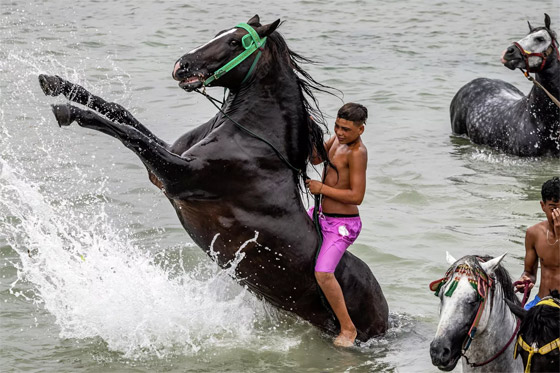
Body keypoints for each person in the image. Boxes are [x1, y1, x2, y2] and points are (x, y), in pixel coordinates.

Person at [305, 102, 368, 347]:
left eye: (347, 130)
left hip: (342, 225)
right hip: (320, 214)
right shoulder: (336, 140)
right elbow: (316, 158)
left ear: (361, 130)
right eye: (337, 127)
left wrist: (322, 189)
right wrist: (311, 131)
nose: (341, 133)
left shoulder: (357, 153)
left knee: (323, 273)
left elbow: (357, 196)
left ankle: (348, 328)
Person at [515, 177, 560, 309]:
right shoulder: (533, 233)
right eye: (553, 209)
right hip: (542, 302)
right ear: (543, 206)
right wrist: (525, 281)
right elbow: (529, 272)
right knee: (516, 327)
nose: (558, 215)